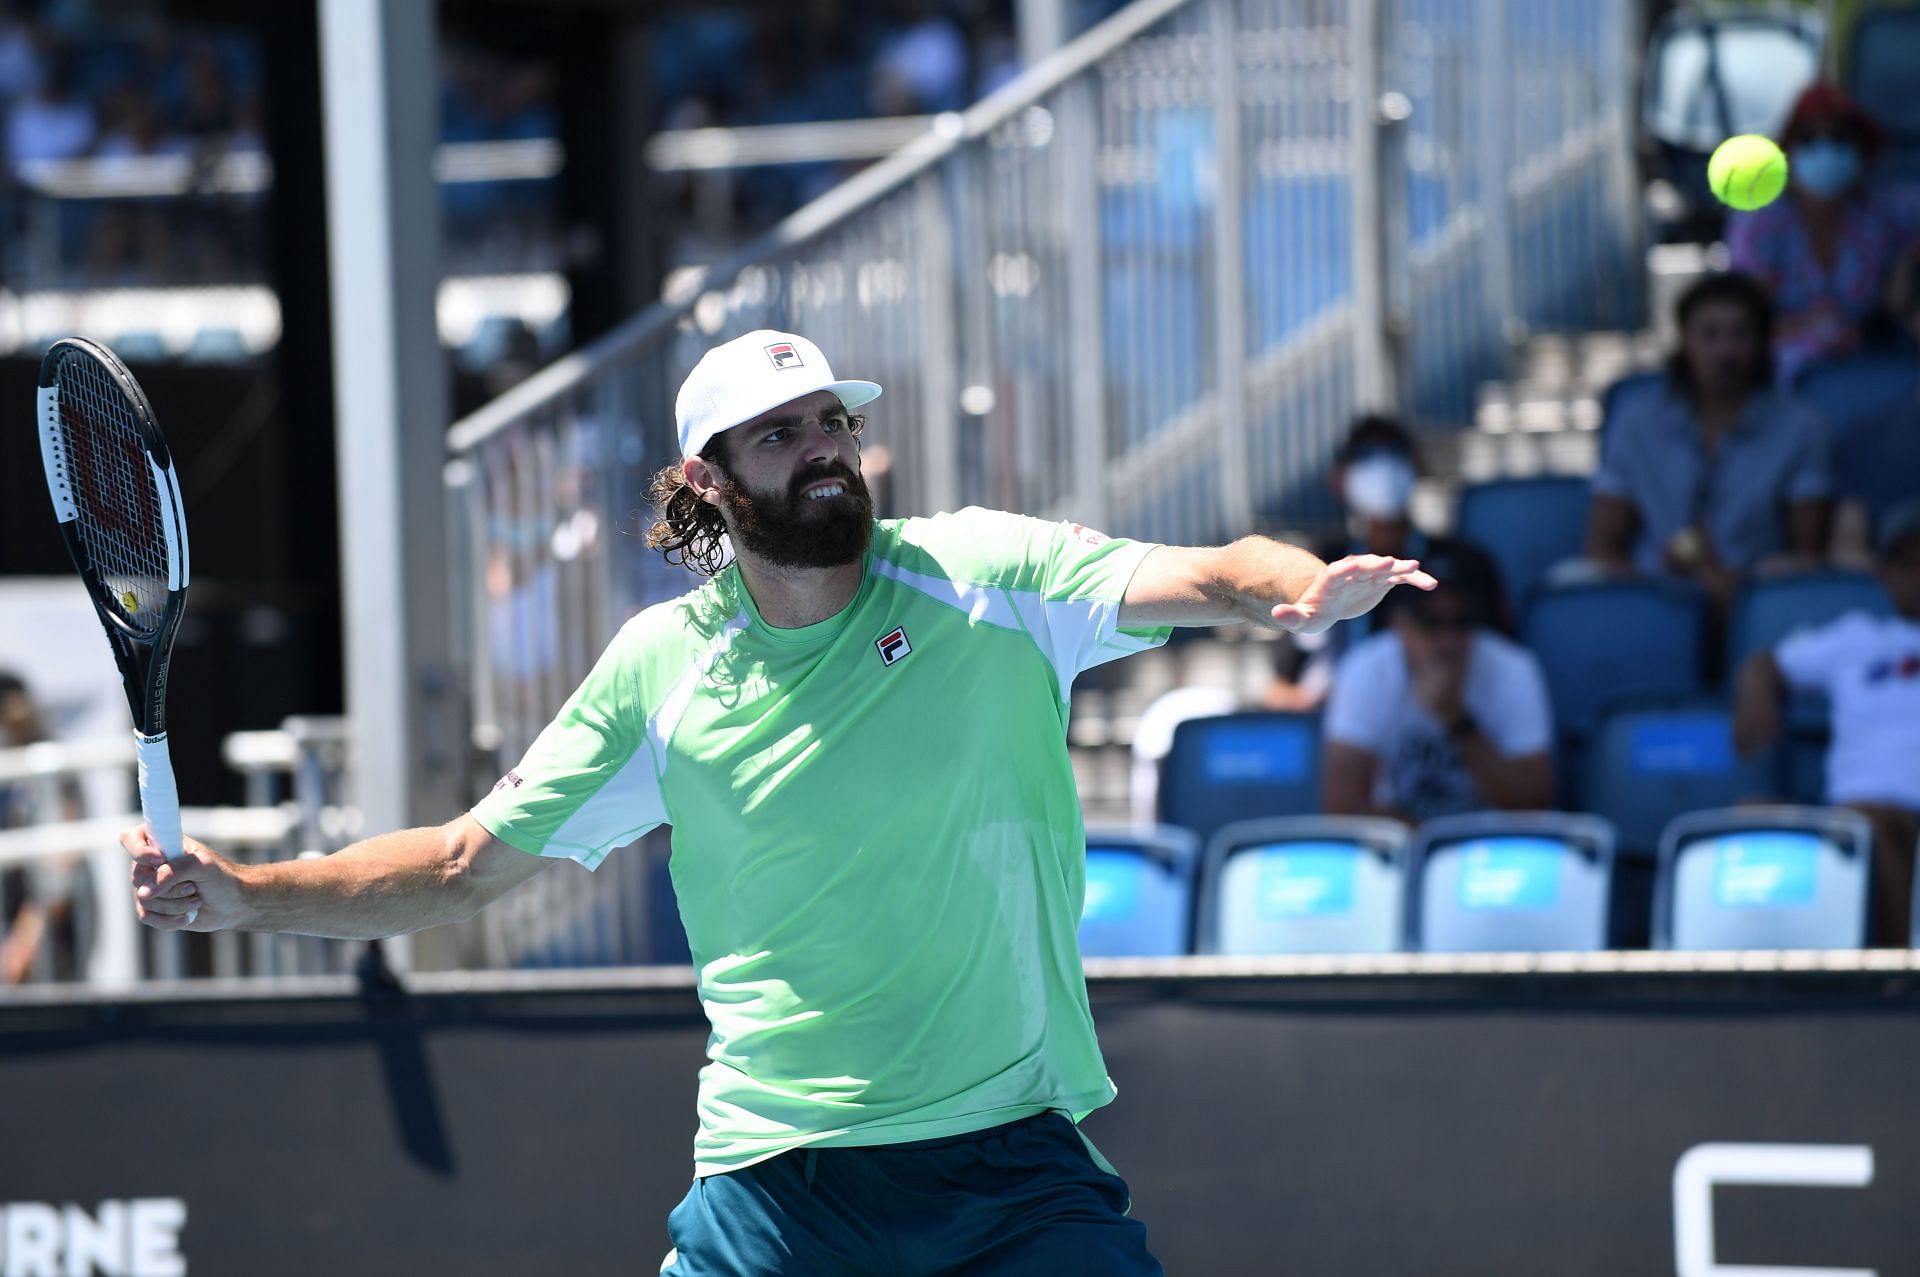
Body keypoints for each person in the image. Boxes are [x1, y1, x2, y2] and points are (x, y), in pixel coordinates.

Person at [121, 329, 1432, 1275]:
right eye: (779, 434)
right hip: (778, 1194)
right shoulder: (660, 669)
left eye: (830, 425)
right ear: (708, 482)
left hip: (1011, 1175)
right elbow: (464, 864)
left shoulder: (984, 576)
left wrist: (1300, 583)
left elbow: (1209, 573)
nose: (821, 452)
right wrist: (249, 895)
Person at [1584, 271, 1832, 609]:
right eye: (1709, 334)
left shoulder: (1802, 427)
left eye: (1740, 334)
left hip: (1756, 608)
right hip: (1655, 606)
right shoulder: (1636, 422)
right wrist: (1655, 597)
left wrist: (1731, 588)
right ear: (1684, 340)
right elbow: (1602, 548)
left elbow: (1808, 555)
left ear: (1763, 342)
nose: (1725, 352)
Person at [1733, 500, 1920, 946]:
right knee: (1864, 826)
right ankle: (1900, 971)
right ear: (1883, 571)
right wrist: (1756, 693)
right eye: (1909, 564)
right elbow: (1764, 665)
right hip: (1861, 812)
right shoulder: (1855, 637)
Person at [1264, 414, 1505, 712]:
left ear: (1417, 469)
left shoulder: (1465, 564)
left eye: (1396, 454)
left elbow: (1501, 664)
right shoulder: (1318, 565)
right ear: (1339, 479)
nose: (1384, 467)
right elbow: (1280, 688)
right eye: (1366, 456)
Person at [1321, 545, 1554, 824]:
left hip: (1491, 848)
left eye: (1461, 621)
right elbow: (1343, 805)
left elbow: (1534, 801)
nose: (1447, 639)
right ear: (1398, 623)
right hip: (1402, 849)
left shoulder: (1514, 669)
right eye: (1430, 621)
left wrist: (1456, 721)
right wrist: (1431, 842)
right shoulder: (1365, 669)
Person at [1727, 83, 1920, 385]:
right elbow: (1743, 317)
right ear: (1788, 152)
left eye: (1839, 138)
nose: (1825, 150)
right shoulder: (1760, 224)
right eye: (1809, 139)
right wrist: (1811, 332)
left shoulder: (1884, 215)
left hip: (1876, 369)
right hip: (1785, 381)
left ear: (1861, 152)